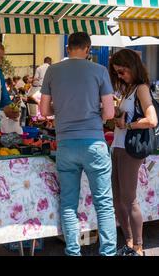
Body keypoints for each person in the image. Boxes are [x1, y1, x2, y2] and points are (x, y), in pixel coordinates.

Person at [40, 32, 117, 256]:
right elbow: (110, 112)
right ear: (87, 49)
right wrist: (95, 113)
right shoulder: (100, 71)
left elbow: (44, 111)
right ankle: (108, 252)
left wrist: (61, 111)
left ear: (68, 48)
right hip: (94, 142)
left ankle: (73, 252)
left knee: (68, 204)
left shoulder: (53, 70)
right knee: (103, 204)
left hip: (65, 143)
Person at [109, 49, 158, 256]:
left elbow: (152, 120)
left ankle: (138, 247)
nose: (120, 76)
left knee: (128, 198)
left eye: (122, 72)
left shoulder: (141, 88)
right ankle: (129, 242)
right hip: (118, 146)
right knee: (117, 199)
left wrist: (127, 125)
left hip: (130, 148)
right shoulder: (128, 89)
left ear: (132, 67)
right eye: (117, 73)